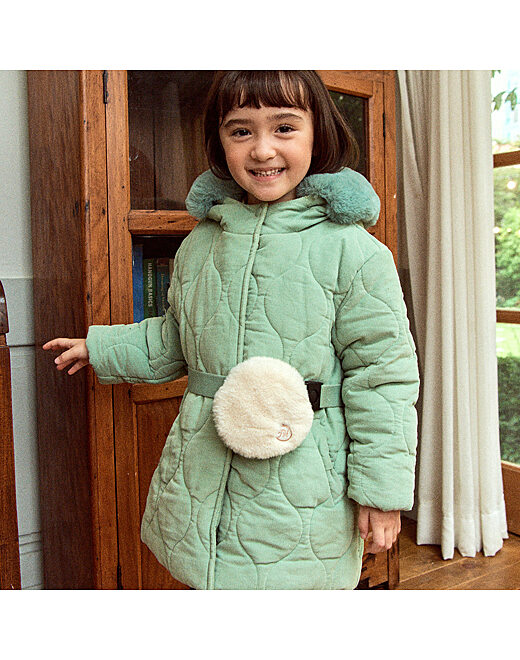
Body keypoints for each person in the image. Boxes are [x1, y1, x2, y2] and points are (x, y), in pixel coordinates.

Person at [43, 70, 420, 590]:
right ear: (220, 143)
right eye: (241, 131)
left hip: (304, 484)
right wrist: (101, 346)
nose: (262, 150)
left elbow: (383, 379)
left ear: (318, 133)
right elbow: (175, 340)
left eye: (284, 127)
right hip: (202, 472)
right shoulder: (202, 244)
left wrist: (381, 493)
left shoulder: (354, 251)